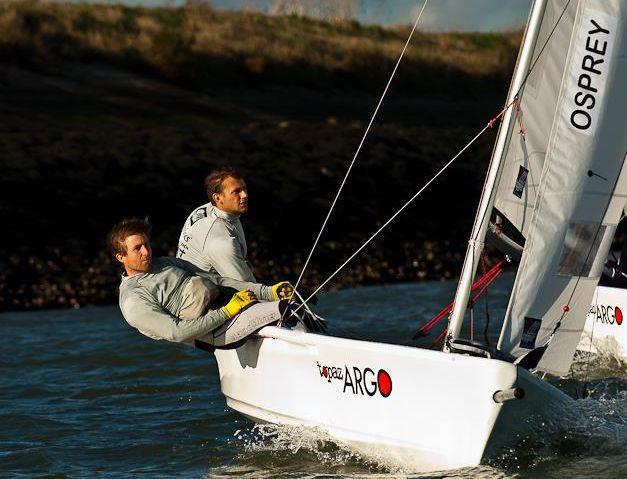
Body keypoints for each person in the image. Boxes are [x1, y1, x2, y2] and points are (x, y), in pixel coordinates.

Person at [108, 218, 293, 346]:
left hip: (227, 304)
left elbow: (217, 280)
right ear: (121, 257)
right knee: (282, 311)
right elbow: (176, 332)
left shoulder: (165, 263)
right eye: (137, 249)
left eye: (146, 245)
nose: (146, 252)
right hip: (215, 328)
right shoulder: (132, 299)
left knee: (293, 306)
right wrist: (227, 312)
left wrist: (268, 292)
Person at [177, 167, 255, 281]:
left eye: (244, 189)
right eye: (236, 191)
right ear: (217, 197)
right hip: (206, 294)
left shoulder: (205, 210)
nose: (244, 195)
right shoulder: (220, 241)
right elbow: (248, 287)